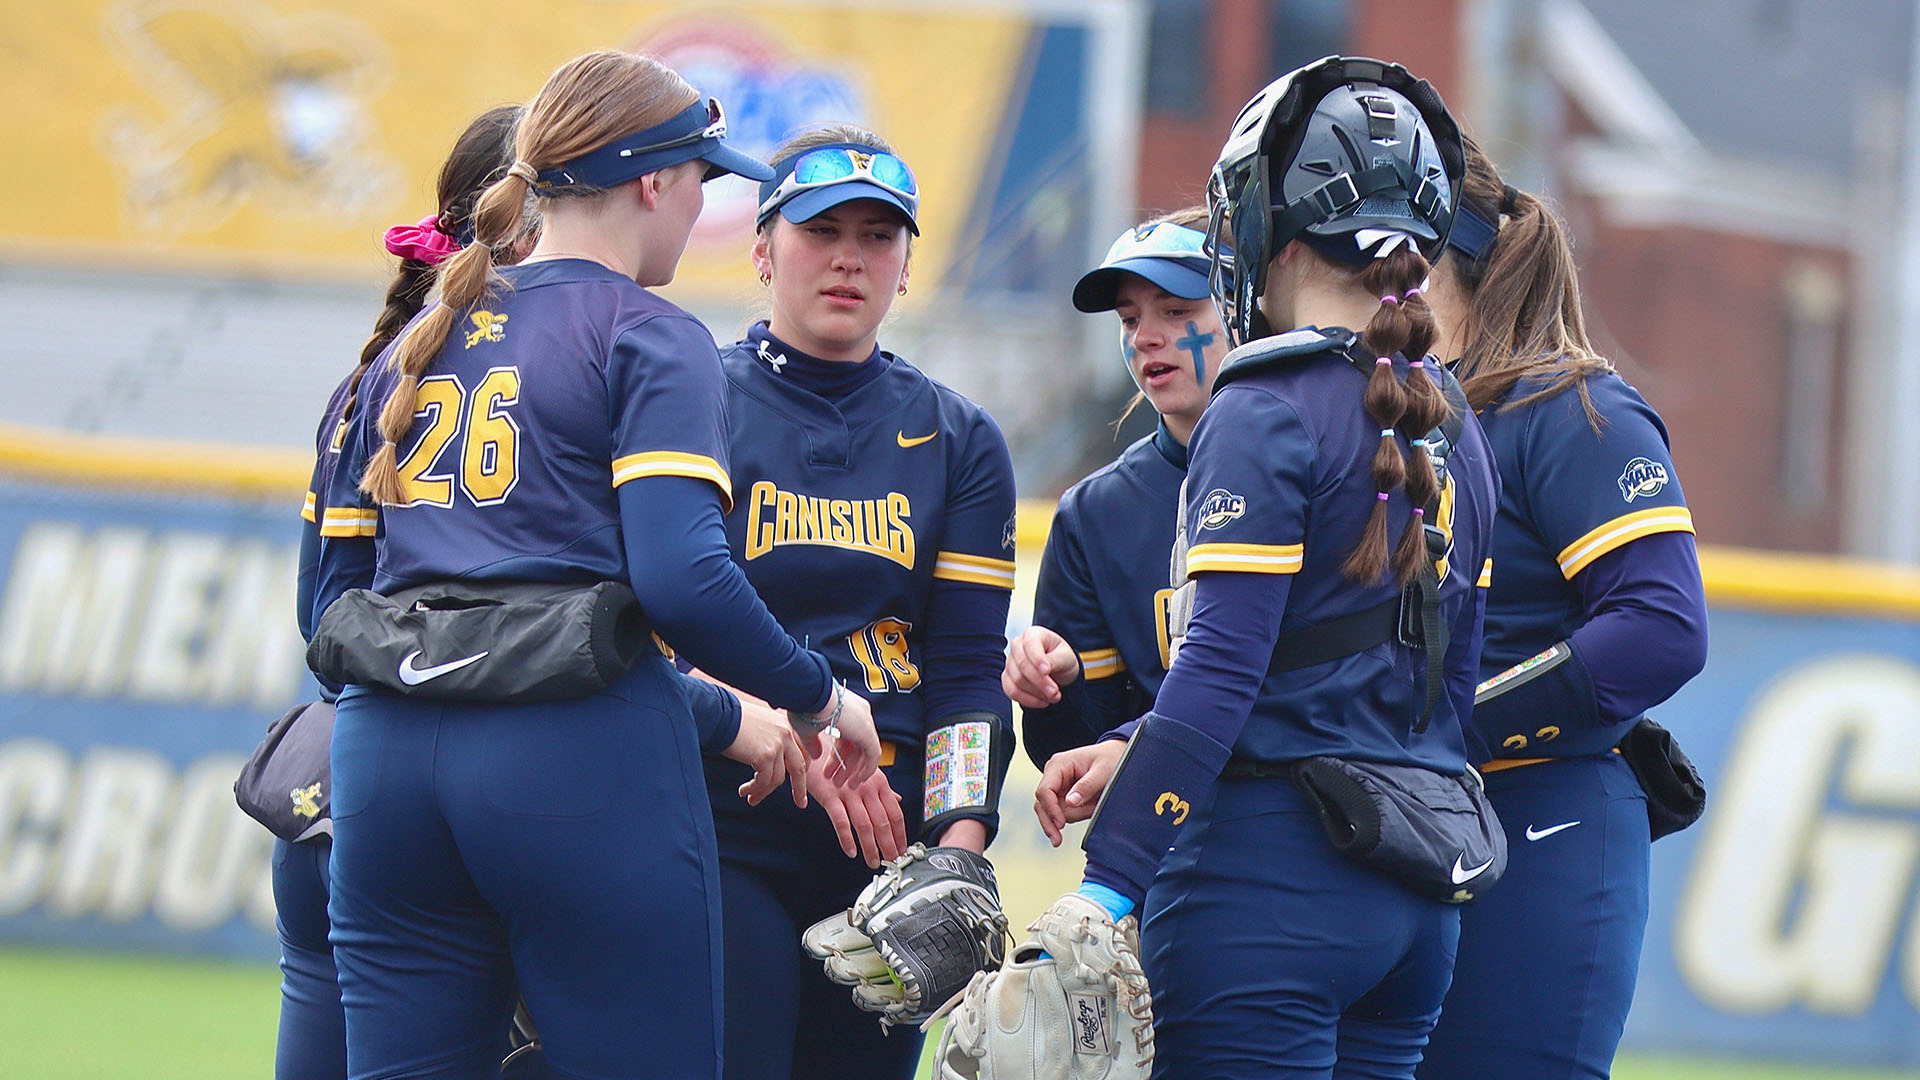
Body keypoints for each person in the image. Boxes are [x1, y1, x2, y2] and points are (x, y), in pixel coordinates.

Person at [312, 50, 879, 1080]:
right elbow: (683, 581)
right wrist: (819, 699)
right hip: (568, 756)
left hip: (383, 759)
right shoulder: (650, 333)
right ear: (654, 183)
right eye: (701, 179)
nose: (699, 205)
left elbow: (328, 609)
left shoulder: (408, 346)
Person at [1033, 57, 1501, 1078]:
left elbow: (1221, 671)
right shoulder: (1454, 419)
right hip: (1418, 898)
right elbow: (1451, 685)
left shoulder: (1265, 402)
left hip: (1267, 888)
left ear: (1266, 227)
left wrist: (1107, 886)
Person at [702, 124, 1017, 1079]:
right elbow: (661, 623)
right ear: (761, 248)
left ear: (907, 265)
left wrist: (959, 849)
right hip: (725, 811)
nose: (849, 256)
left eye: (878, 235)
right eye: (820, 227)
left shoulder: (958, 438)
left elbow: (966, 673)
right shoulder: (692, 398)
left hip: (886, 846)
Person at [1414, 137, 1709, 1080]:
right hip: (1407, 823)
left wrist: (1439, 732)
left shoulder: (1568, 406)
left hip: (1540, 825)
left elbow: (1662, 626)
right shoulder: (1393, 415)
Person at [277, 102, 524, 1080]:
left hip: (339, 795)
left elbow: (321, 618)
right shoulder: (563, 375)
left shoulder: (372, 377)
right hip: (481, 817)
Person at [1002, 207, 1230, 800]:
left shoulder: (1327, 466)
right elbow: (1070, 755)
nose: (1145, 336)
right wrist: (1062, 680)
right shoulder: (1095, 513)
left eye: (1178, 312)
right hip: (1166, 851)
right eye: (1129, 319)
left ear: (1244, 307)